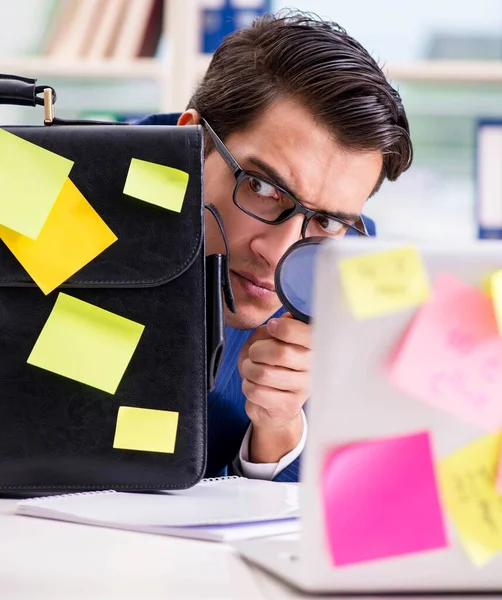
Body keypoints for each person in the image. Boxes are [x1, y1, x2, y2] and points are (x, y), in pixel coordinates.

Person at [137, 10, 413, 482]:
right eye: (263, 189)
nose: (279, 251)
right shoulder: (71, 202)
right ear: (190, 142)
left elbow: (345, 493)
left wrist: (279, 426)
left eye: (326, 220)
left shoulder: (350, 271)